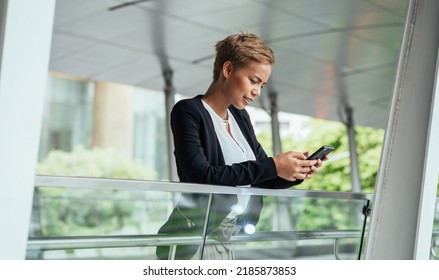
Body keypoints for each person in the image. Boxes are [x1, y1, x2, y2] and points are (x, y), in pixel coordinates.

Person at [156, 32, 327, 260]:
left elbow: (263, 176)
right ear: (227, 70)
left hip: (228, 238)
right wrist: (273, 165)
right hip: (195, 238)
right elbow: (200, 175)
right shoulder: (188, 111)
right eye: (253, 80)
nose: (257, 91)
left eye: (262, 85)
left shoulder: (240, 117)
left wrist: (297, 170)